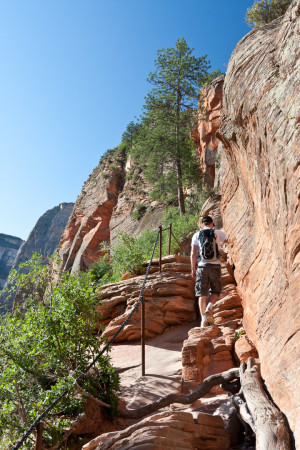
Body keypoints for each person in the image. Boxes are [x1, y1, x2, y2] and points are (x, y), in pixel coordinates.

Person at [191, 215, 226, 327]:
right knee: (215, 291)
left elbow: (193, 254)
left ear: (202, 224)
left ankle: (203, 320)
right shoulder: (219, 233)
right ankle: (209, 308)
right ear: (212, 223)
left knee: (202, 293)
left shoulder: (196, 235)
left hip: (202, 266)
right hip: (215, 265)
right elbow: (226, 244)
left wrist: (193, 268)